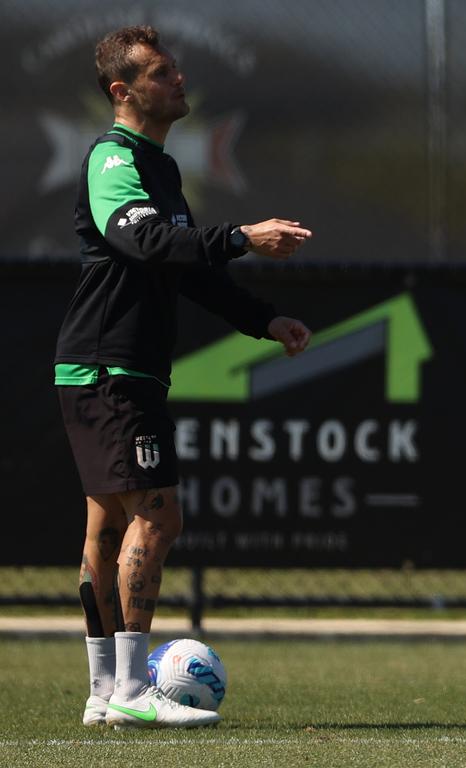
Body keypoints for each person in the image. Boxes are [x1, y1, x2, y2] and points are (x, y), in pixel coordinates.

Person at [54, 25, 313, 729]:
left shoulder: (161, 168)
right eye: (163, 74)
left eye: (176, 72)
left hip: (115, 367)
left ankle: (105, 695)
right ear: (123, 90)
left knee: (106, 529)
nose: (179, 82)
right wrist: (242, 236)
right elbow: (142, 239)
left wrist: (266, 320)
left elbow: (188, 267)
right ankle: (135, 691)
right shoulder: (113, 157)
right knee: (159, 516)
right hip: (109, 366)